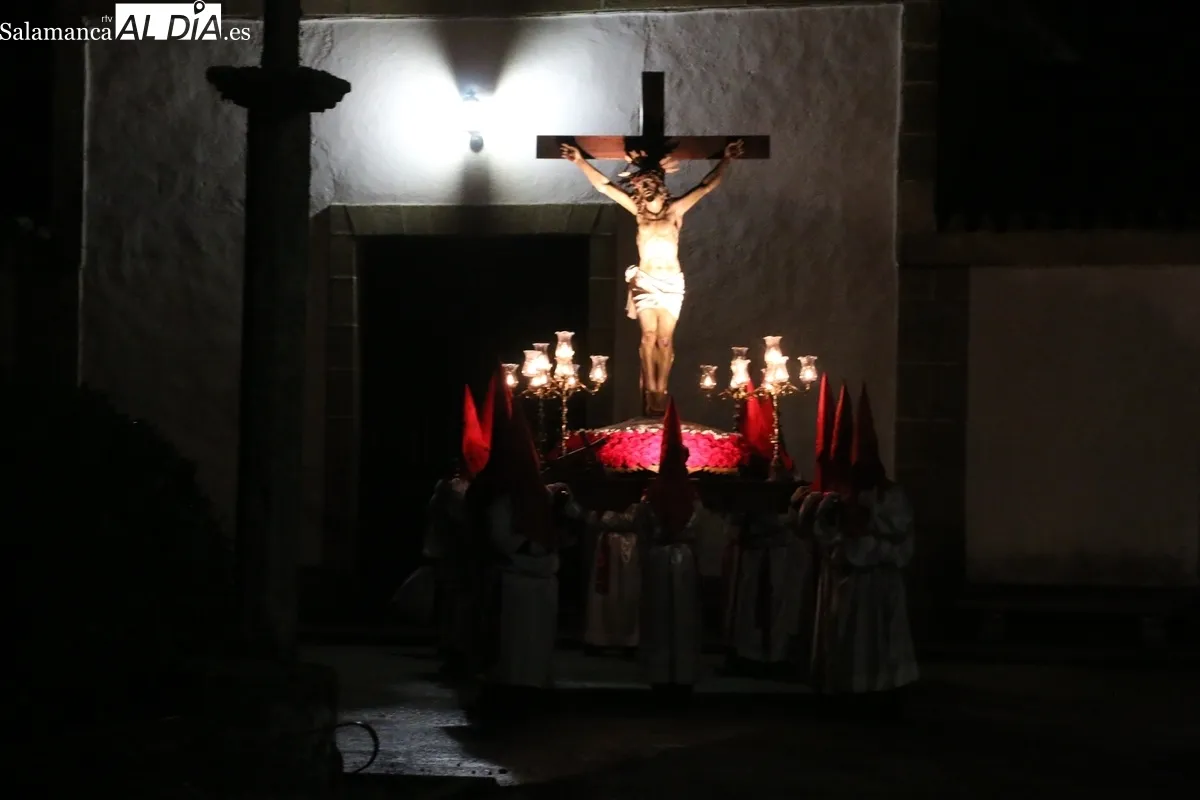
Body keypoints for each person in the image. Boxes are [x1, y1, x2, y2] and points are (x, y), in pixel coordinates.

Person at [561, 139, 744, 415]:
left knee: (665, 340)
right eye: (639, 185)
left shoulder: (675, 210)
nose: (643, 189)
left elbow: (706, 186)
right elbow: (605, 186)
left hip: (671, 283)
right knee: (648, 336)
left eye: (647, 183)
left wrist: (726, 160)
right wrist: (579, 161)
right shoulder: (639, 214)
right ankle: (651, 389)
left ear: (659, 184)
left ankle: (662, 387)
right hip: (646, 281)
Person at [810, 383, 918, 714]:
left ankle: (884, 689)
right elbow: (822, 533)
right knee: (850, 638)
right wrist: (838, 526)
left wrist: (868, 531)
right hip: (850, 582)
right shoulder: (835, 499)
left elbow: (899, 536)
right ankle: (849, 690)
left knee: (880, 641)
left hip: (879, 581)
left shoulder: (891, 497)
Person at [464, 368, 561, 704]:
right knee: (512, 641)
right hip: (510, 576)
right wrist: (529, 546)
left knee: (535, 640)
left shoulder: (540, 493)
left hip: (538, 574)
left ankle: (530, 684)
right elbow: (496, 533)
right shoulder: (496, 493)